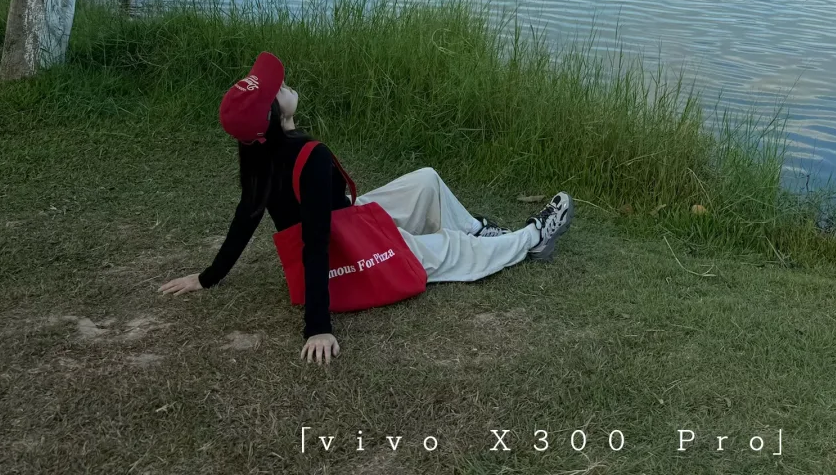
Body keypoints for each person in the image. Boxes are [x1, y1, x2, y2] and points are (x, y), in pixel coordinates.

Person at [159, 52, 574, 364]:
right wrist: (317, 327)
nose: (285, 86)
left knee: (426, 179)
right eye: (278, 90)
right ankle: (533, 238)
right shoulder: (309, 157)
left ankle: (478, 227)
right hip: (348, 249)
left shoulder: (259, 153)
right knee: (451, 249)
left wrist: (208, 277)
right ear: (272, 115)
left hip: (346, 216)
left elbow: (246, 217)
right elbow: (316, 242)